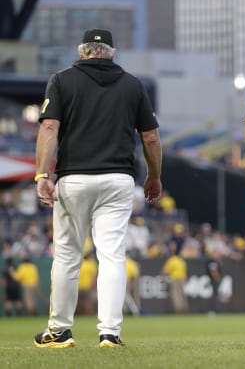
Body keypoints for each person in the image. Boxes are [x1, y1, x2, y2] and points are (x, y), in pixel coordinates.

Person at [33, 28, 163, 348]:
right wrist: (154, 176)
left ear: (82, 51)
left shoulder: (61, 80)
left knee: (67, 256)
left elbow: (50, 126)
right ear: (112, 52)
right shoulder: (133, 84)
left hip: (74, 177)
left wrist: (41, 175)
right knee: (112, 257)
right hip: (118, 179)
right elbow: (150, 137)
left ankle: (60, 330)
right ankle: (110, 332)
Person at [162, 241, 188, 314]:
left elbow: (165, 272)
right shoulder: (181, 261)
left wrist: (163, 279)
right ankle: (184, 309)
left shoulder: (171, 260)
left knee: (176, 295)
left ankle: (178, 310)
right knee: (182, 294)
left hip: (175, 279)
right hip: (183, 279)